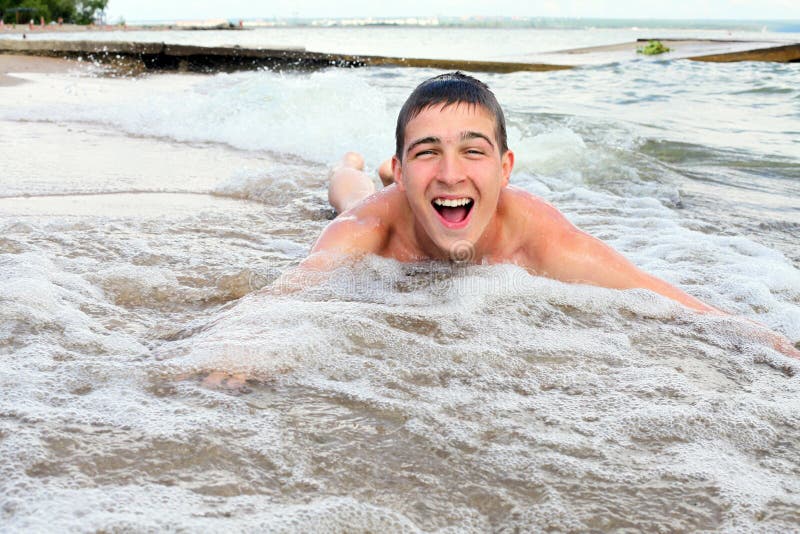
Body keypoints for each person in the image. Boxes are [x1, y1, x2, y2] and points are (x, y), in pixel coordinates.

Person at [298, 71, 799, 359]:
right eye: (427, 152)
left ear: (505, 168)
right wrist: (244, 352)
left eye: (474, 152)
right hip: (385, 203)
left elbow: (653, 292)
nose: (452, 173)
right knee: (349, 192)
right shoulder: (370, 228)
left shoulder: (540, 236)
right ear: (404, 171)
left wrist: (768, 341)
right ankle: (358, 165)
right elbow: (290, 296)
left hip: (416, 195)